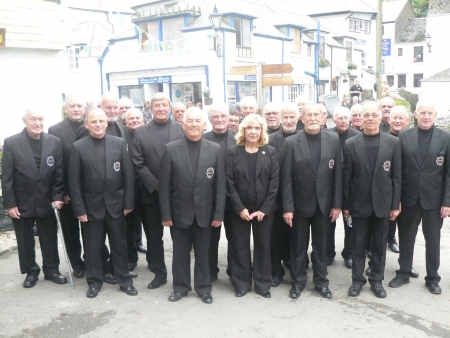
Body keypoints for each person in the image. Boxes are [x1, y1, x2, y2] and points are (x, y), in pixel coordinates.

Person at [159, 108, 226, 304]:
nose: (194, 124)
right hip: (179, 213)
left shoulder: (214, 149)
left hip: (205, 213)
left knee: (204, 254)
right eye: (191, 121)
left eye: (198, 121)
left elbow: (220, 185)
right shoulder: (171, 149)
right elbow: (164, 186)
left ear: (205, 124)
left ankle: (204, 288)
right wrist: (166, 214)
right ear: (183, 124)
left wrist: (218, 214)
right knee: (180, 253)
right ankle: (180, 287)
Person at [69, 108, 137, 298]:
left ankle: (124, 281)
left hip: (116, 206)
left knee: (119, 246)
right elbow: (74, 182)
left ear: (106, 123)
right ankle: (94, 282)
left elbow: (128, 176)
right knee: (92, 248)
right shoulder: (78, 147)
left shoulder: (119, 143)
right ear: (87, 124)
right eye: (94, 121)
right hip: (91, 208)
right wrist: (79, 209)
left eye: (101, 121)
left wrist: (128, 204)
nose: (98, 124)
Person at [388, 98, 450, 295]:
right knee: (406, 238)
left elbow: (448, 173)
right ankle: (403, 273)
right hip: (409, 199)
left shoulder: (445, 137)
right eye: (422, 112)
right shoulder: (404, 137)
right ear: (415, 114)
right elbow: (397, 172)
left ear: (435, 115)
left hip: (434, 201)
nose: (426, 116)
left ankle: (432, 278)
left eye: (429, 113)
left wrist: (447, 202)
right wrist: (396, 200)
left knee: (433, 240)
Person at [281, 104, 342, 299]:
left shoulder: (333, 139)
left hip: (324, 205)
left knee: (321, 246)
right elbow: (286, 178)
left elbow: (338, 175)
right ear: (302, 118)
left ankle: (321, 282)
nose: (313, 118)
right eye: (309, 114)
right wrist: (288, 207)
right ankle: (297, 282)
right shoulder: (291, 142)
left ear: (323, 118)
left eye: (317, 114)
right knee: (298, 246)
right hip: (299, 206)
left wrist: (337, 204)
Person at [342, 101, 401, 298]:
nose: (369, 118)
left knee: (379, 246)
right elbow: (347, 178)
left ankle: (376, 280)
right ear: (359, 118)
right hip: (359, 205)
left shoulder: (392, 142)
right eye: (365, 115)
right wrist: (346, 205)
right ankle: (357, 280)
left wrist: (395, 205)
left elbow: (397, 177)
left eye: (373, 115)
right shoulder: (351, 144)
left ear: (379, 118)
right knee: (357, 246)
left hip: (383, 205)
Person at [3, 108, 67, 288]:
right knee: (25, 240)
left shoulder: (54, 142)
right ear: (25, 121)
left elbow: (59, 174)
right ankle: (31, 271)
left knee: (49, 237)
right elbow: (7, 177)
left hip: (48, 200)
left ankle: (52, 269)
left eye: (40, 119)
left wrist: (57, 196)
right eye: (33, 119)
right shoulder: (12, 142)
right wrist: (10, 204)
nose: (38, 123)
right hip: (22, 201)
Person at [132, 92, 185, 290]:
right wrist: (156, 185)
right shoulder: (141, 132)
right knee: (154, 237)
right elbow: (138, 162)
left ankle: (180, 276)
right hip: (151, 194)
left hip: (178, 194)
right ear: (150, 108)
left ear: (169, 107)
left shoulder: (181, 128)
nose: (161, 108)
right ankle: (159, 273)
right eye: (157, 105)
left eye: (164, 105)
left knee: (179, 238)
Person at [226, 114, 279, 298]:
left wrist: (264, 209)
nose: (254, 132)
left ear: (262, 131)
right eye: (250, 128)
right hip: (239, 210)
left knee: (263, 246)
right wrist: (240, 208)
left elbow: (274, 183)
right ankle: (241, 283)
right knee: (239, 245)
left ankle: (262, 283)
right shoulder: (233, 152)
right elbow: (229, 183)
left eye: (257, 128)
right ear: (243, 130)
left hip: (263, 210)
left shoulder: (270, 152)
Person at [48, 95, 87, 278]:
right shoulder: (55, 130)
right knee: (70, 230)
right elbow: (56, 164)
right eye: (73, 106)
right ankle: (77, 263)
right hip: (67, 193)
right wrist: (62, 191)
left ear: (85, 107)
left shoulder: (93, 124)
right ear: (66, 107)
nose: (76, 109)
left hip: (89, 190)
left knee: (92, 231)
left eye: (80, 105)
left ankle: (93, 260)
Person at [203, 104, 237, 281]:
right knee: (210, 239)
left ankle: (234, 271)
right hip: (210, 197)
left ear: (229, 118)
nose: (220, 119)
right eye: (215, 116)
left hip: (233, 197)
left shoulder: (239, 138)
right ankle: (211, 271)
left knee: (235, 238)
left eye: (223, 116)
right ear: (210, 120)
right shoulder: (202, 138)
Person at [268, 102, 299, 287]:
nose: (288, 120)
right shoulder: (271, 140)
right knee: (275, 235)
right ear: (280, 118)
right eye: (285, 117)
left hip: (299, 196)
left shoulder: (303, 137)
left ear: (297, 118)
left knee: (295, 235)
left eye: (292, 117)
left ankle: (292, 262)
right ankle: (275, 270)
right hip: (276, 196)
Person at [328, 107, 360, 269]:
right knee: (329, 222)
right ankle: (328, 252)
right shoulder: (328, 135)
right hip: (331, 185)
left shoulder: (357, 136)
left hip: (350, 186)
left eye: (346, 118)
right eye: (340, 118)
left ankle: (349, 253)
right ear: (333, 120)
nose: (343, 121)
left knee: (350, 223)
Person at [123, 108, 145, 275]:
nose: (135, 121)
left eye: (138, 118)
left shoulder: (146, 135)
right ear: (126, 121)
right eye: (131, 118)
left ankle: (149, 254)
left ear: (143, 120)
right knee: (129, 226)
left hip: (146, 188)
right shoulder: (121, 137)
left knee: (149, 225)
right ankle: (131, 258)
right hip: (128, 189)